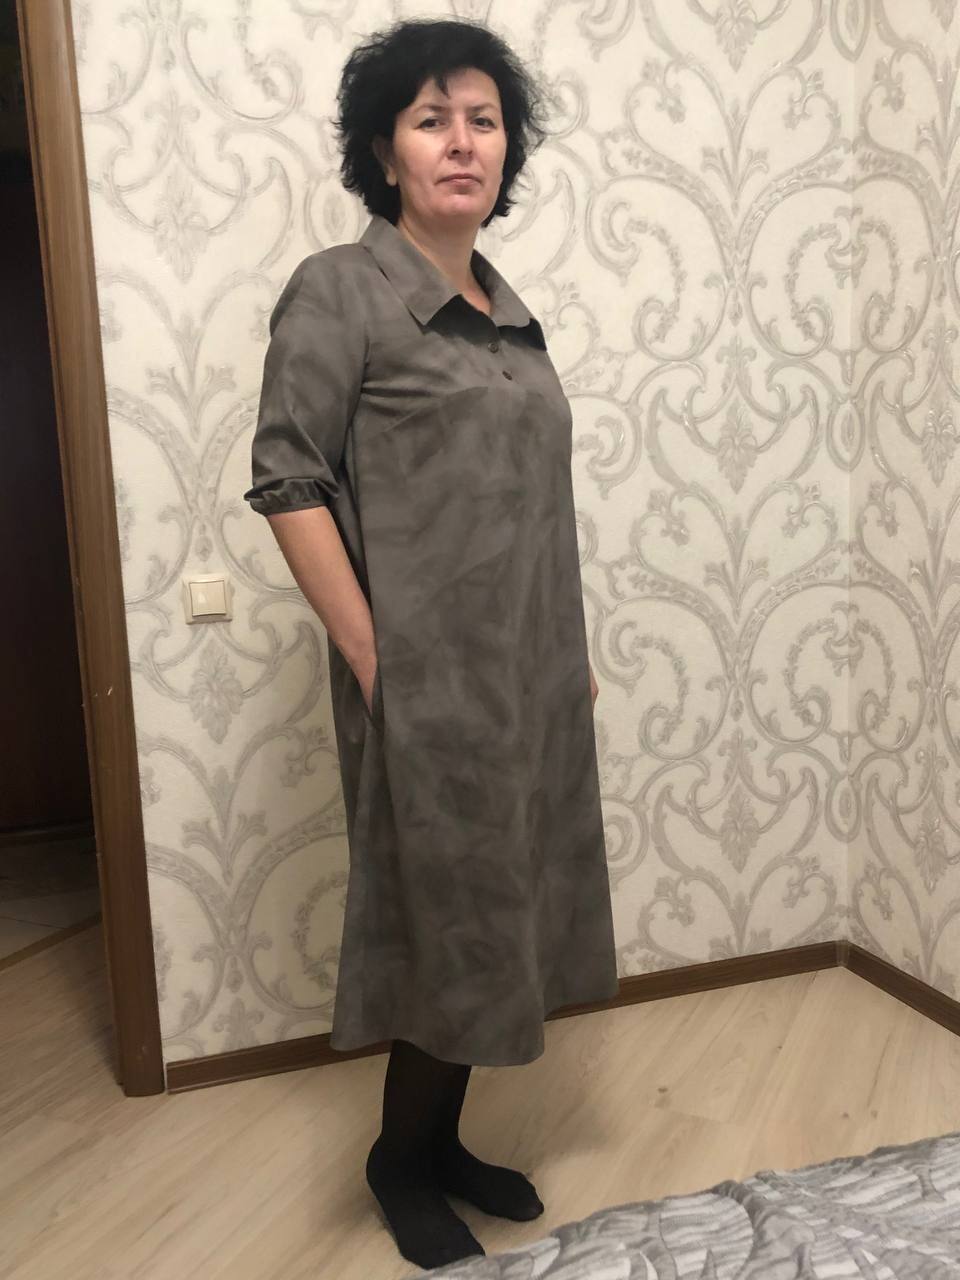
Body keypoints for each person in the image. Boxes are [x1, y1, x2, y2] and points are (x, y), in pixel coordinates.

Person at [243, 15, 619, 1271]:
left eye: (484, 120)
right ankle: (397, 1160)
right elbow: (288, 481)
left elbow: (529, 506)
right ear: (383, 149)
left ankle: (443, 1140)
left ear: (507, 150)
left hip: (531, 683)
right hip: (429, 689)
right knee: (443, 922)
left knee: (503, 911)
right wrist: (375, 661)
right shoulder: (341, 290)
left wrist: (566, 652)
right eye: (430, 119)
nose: (462, 142)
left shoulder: (508, 313)